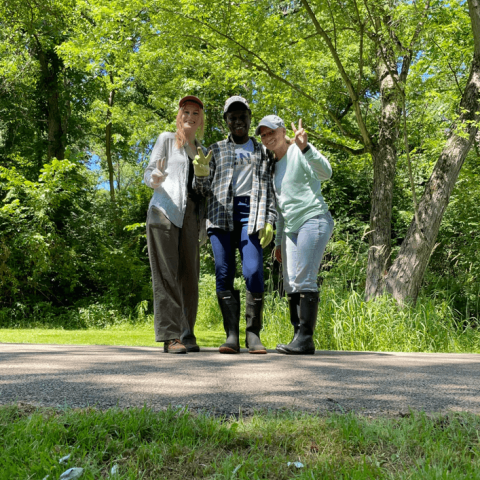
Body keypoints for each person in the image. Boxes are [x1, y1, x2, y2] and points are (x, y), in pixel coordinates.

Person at [193, 96, 276, 354]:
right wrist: (201, 174)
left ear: (250, 118)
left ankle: (253, 334)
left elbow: (272, 189)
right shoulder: (215, 150)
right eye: (233, 118)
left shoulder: (263, 151)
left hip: (252, 216)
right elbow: (202, 191)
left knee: (252, 270)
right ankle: (231, 335)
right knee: (223, 271)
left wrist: (271, 219)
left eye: (242, 117)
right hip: (220, 216)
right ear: (226, 121)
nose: (238, 122)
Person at [255, 115, 334, 355]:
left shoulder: (299, 151)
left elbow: (326, 173)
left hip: (313, 219)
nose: (268, 138)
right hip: (290, 228)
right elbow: (280, 207)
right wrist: (278, 241)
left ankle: (306, 339)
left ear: (282, 130)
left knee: (304, 279)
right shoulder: (273, 166)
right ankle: (297, 336)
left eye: (272, 132)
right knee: (290, 282)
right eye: (263, 135)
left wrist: (306, 147)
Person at [144, 95, 209, 354]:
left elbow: (203, 191)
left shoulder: (202, 149)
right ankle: (170, 336)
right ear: (178, 115)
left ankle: (186, 332)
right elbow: (149, 172)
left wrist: (203, 222)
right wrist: (155, 178)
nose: (190, 117)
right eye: (186, 112)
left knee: (190, 277)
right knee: (167, 275)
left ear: (201, 119)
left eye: (195, 113)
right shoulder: (166, 140)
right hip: (164, 211)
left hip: (190, 217)